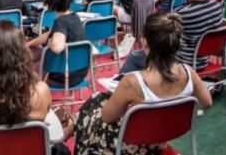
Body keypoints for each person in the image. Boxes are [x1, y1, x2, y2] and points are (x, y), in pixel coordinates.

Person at [74, 13, 213, 155]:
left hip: (134, 145)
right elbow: (206, 102)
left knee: (94, 104)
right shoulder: (188, 73)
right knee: (97, 101)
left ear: (144, 41)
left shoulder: (133, 82)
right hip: (162, 139)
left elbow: (107, 117)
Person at [121, 0, 223, 73]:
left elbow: (163, 38)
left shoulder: (183, 14)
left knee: (135, 57)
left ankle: (117, 86)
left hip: (180, 61)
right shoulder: (216, 6)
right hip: (203, 59)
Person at [27, 0, 88, 87]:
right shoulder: (74, 17)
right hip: (80, 72)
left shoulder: (61, 22)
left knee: (22, 67)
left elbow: (57, 47)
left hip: (63, 77)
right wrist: (30, 44)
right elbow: (51, 34)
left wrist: (50, 42)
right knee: (30, 51)